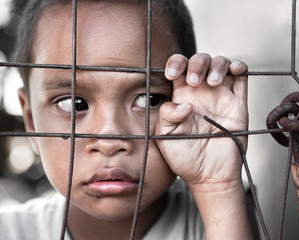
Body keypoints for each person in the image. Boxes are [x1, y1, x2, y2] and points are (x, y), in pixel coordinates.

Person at [0, 0, 257, 239]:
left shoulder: (220, 213)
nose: (110, 140)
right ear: (31, 122)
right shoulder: (10, 231)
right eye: (73, 103)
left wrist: (217, 186)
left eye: (148, 100)